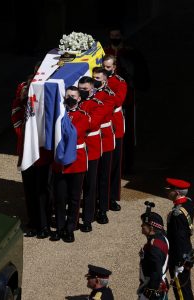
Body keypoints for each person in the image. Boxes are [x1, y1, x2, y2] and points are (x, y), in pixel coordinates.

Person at [104, 26, 150, 175]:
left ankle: (127, 165)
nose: (114, 37)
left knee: (128, 132)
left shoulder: (131, 52)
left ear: (121, 36)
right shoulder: (104, 52)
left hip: (128, 97)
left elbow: (140, 73)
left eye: (117, 35)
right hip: (108, 99)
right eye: (112, 35)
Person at [12, 75, 52, 239]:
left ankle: (44, 224)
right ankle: (34, 221)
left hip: (42, 155)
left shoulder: (44, 104)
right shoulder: (20, 104)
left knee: (43, 191)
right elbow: (17, 122)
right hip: (26, 152)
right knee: (29, 191)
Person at [50, 87, 90, 243]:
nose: (70, 98)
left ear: (79, 98)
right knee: (60, 198)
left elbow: (73, 133)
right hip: (60, 161)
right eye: (67, 96)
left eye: (73, 96)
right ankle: (60, 228)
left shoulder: (82, 116)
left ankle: (70, 228)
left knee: (74, 198)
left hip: (76, 161)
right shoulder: (59, 114)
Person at [93, 59, 127, 211]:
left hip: (114, 126)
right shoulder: (97, 82)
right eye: (104, 67)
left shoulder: (119, 82)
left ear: (114, 67)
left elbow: (118, 101)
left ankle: (111, 197)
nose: (106, 69)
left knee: (113, 165)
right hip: (101, 127)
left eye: (108, 67)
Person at [93, 70, 120, 224]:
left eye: (98, 79)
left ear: (104, 80)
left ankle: (102, 209)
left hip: (105, 137)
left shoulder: (109, 94)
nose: (96, 81)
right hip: (94, 139)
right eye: (94, 78)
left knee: (103, 176)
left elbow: (102, 113)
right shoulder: (91, 93)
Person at [76, 79, 103, 232]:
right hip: (77, 149)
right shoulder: (75, 103)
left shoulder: (97, 103)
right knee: (74, 187)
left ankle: (87, 218)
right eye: (80, 88)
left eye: (85, 89)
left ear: (92, 89)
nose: (82, 91)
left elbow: (92, 124)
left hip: (90, 148)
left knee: (89, 186)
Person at [166, 178, 194, 300]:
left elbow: (179, 239)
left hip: (179, 256)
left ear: (177, 192)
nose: (167, 191)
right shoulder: (188, 203)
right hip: (186, 251)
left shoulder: (177, 214)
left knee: (181, 292)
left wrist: (179, 262)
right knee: (186, 288)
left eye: (170, 190)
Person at [138, 201, 169, 300]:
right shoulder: (162, 236)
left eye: (144, 224)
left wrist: (150, 292)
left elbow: (156, 271)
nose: (141, 226)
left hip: (153, 288)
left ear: (151, 228)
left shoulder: (154, 247)